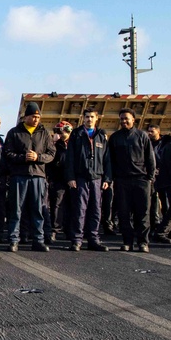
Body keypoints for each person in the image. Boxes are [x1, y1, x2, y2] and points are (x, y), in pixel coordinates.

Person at [2, 102, 55, 252]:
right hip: (19, 176)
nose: (36, 119)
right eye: (33, 116)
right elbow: (8, 153)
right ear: (25, 117)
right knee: (16, 209)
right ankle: (13, 240)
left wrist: (38, 157)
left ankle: (38, 240)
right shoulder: (14, 133)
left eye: (38, 117)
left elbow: (51, 154)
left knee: (38, 209)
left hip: (38, 176)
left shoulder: (44, 133)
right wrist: (22, 158)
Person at [108, 109, 157, 253]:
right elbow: (110, 160)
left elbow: (150, 158)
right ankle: (127, 241)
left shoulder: (142, 136)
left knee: (143, 213)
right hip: (122, 181)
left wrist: (150, 177)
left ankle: (143, 242)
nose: (124, 121)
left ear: (133, 120)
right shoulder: (115, 138)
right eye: (121, 119)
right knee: (124, 213)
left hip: (141, 180)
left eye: (126, 119)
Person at [63, 108, 111, 252]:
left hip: (97, 178)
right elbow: (70, 158)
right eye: (87, 117)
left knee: (96, 209)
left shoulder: (101, 135)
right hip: (80, 177)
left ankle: (93, 239)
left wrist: (107, 178)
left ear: (97, 118)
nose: (89, 119)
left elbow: (107, 159)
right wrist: (70, 177)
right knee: (79, 209)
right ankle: (77, 240)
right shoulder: (76, 135)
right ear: (82, 118)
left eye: (92, 117)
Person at [43, 121, 71, 244]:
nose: (58, 134)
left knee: (73, 205)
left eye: (60, 131)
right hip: (58, 179)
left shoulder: (75, 144)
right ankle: (54, 229)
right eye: (56, 131)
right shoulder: (54, 146)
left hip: (72, 179)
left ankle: (70, 230)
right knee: (56, 205)